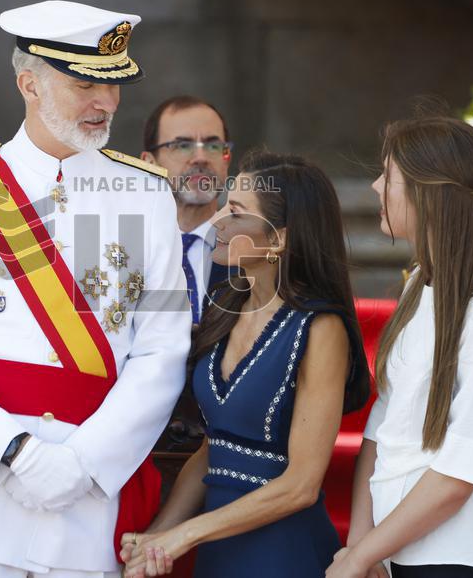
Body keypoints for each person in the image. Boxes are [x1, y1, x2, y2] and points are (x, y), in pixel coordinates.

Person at [0, 0, 191, 577]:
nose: (104, 102)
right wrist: (14, 454)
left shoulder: (146, 193)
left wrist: (84, 461)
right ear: (30, 84)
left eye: (114, 85)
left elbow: (163, 347)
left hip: (90, 503)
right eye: (85, 84)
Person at [119, 150, 371, 577]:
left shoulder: (320, 327)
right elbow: (212, 449)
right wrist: (157, 536)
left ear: (278, 238)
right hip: (219, 548)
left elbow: (301, 486)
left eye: (235, 212)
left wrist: (186, 535)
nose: (217, 221)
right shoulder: (225, 306)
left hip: (283, 552)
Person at [329, 117, 473, 578]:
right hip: (400, 548)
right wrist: (362, 541)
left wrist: (362, 554)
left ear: (430, 192)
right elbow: (382, 423)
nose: (374, 186)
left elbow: (459, 472)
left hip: (463, 556)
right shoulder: (420, 286)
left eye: (388, 176)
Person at [141, 97, 234, 328]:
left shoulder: (253, 250)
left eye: (213, 145)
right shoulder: (122, 249)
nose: (201, 157)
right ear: (149, 163)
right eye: (182, 145)